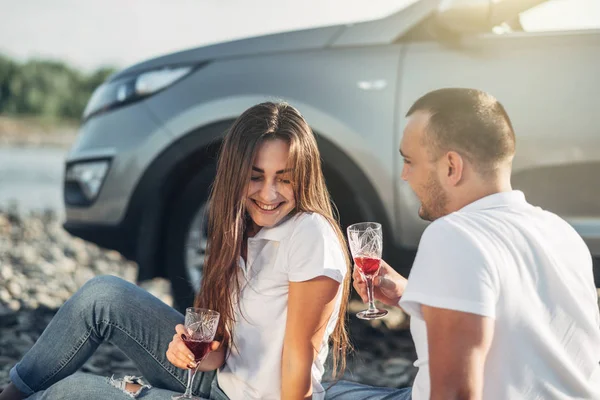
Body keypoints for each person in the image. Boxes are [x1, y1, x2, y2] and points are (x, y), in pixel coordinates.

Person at [1, 102, 352, 400]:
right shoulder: (239, 228)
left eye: (285, 178)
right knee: (101, 295)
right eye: (255, 176)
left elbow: (298, 359)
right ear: (234, 173)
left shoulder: (310, 234)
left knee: (71, 392)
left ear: (303, 177)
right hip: (218, 380)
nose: (269, 193)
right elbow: (221, 351)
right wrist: (185, 351)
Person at [326, 88, 600, 400]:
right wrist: (409, 294)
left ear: (451, 167)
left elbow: (455, 393)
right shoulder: (561, 231)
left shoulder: (454, 234)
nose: (404, 175)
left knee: (306, 392)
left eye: (409, 161)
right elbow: (519, 329)